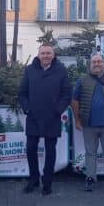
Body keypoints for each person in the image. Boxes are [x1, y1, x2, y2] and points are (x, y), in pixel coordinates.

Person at [18, 44, 72, 194]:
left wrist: (58, 110)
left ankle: (47, 183)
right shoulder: (30, 70)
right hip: (33, 117)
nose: (46, 56)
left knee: (50, 151)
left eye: (49, 53)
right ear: (38, 55)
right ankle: (33, 180)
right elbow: (22, 93)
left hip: (52, 117)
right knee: (30, 149)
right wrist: (27, 108)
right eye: (43, 53)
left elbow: (67, 94)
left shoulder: (61, 71)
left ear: (53, 55)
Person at [72, 53, 104, 193]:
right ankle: (90, 178)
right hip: (88, 124)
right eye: (94, 62)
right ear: (90, 64)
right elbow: (75, 101)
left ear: (103, 63)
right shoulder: (83, 80)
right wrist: (77, 120)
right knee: (90, 153)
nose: (97, 64)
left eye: (99, 62)